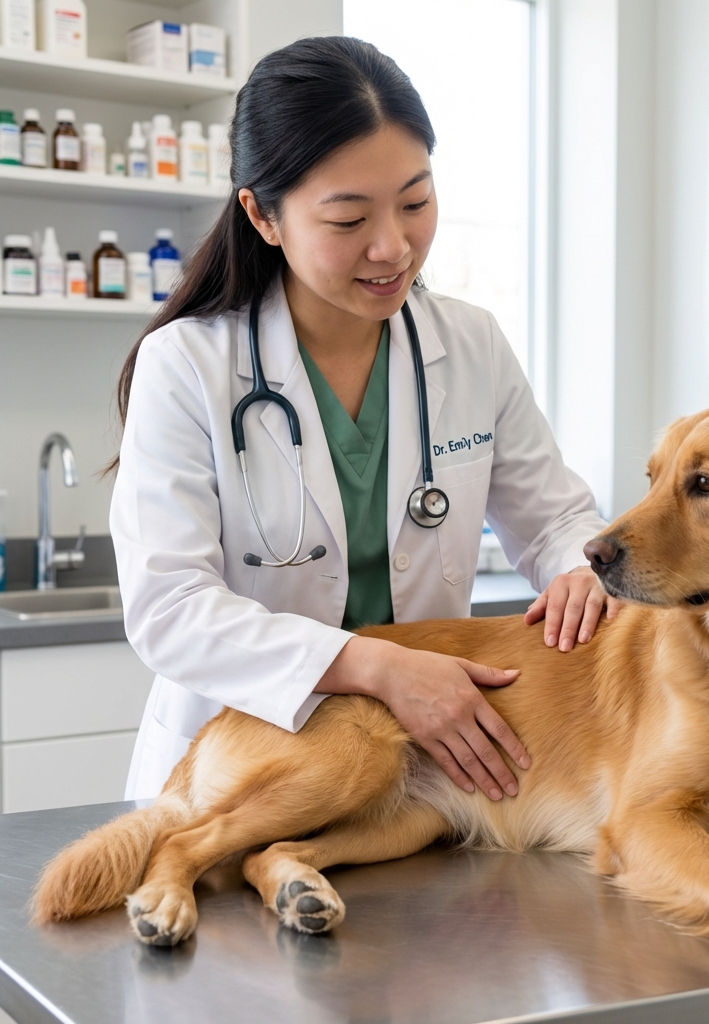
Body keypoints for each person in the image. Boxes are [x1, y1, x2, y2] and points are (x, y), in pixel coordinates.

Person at [111, 36, 619, 804]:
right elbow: (171, 611)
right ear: (263, 215)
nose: (394, 246)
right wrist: (377, 666)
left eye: (416, 202)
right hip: (247, 761)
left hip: (420, 770)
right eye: (349, 219)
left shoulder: (470, 343)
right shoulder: (187, 365)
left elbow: (552, 522)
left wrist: (580, 571)